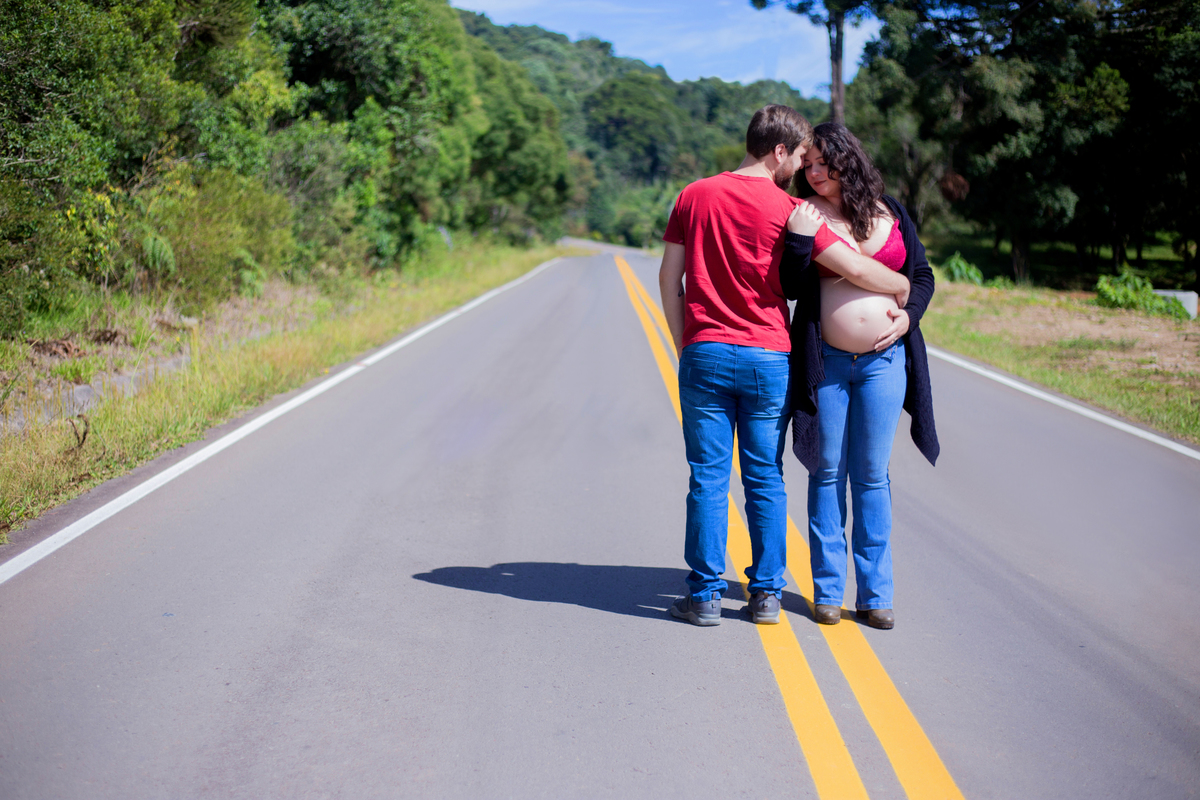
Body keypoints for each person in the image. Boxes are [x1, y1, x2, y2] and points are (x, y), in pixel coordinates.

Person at [658, 106, 910, 627]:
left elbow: (669, 280)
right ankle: (767, 595)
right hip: (768, 356)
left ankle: (704, 596)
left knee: (707, 478)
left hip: (705, 349)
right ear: (778, 150)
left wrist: (686, 343)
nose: (801, 168)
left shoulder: (693, 194)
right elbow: (854, 266)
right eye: (798, 156)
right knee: (765, 477)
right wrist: (902, 286)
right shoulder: (792, 209)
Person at [779, 122, 940, 630]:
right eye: (807, 166)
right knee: (826, 471)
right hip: (826, 360)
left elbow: (922, 275)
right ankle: (827, 590)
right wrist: (801, 243)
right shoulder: (804, 214)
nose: (814, 172)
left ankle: (876, 595)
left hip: (883, 363)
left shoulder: (891, 212)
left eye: (823, 162)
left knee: (871, 475)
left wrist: (910, 315)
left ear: (847, 159)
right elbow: (790, 282)